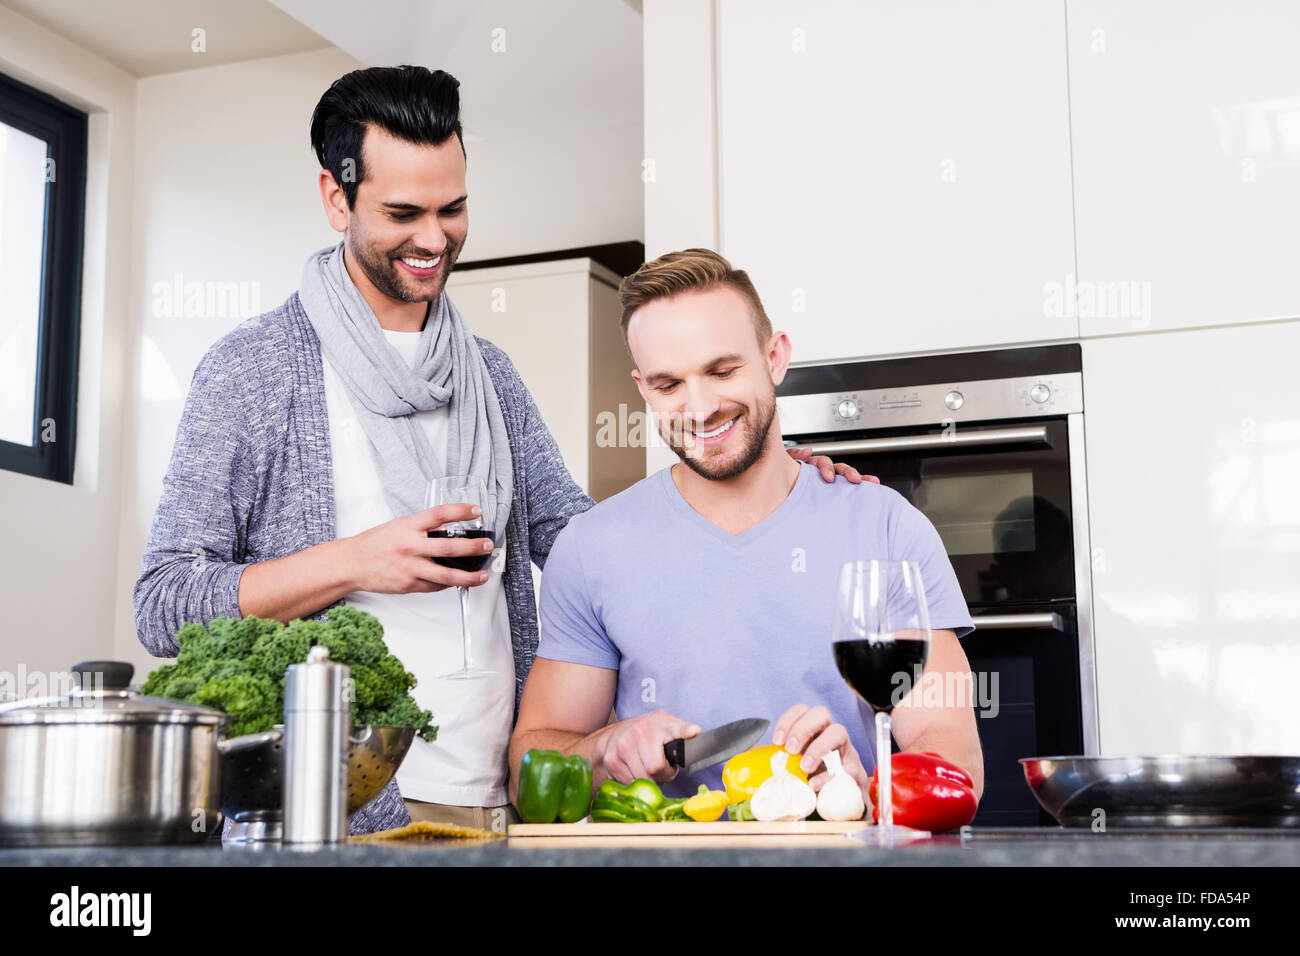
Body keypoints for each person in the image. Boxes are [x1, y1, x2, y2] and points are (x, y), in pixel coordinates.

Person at [132, 66, 863, 835]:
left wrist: (767, 480)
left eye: (453, 209)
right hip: (330, 806)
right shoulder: (255, 370)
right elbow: (165, 602)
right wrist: (357, 561)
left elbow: (588, 542)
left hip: (495, 803)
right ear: (336, 198)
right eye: (403, 212)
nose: (432, 238)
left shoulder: (488, 375)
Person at [509, 249, 983, 810]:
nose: (700, 407)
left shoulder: (884, 527)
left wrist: (874, 793)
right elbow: (527, 770)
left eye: (722, 370)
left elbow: (952, 757)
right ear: (642, 389)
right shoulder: (591, 548)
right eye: (668, 385)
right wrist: (603, 747)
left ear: (774, 356)